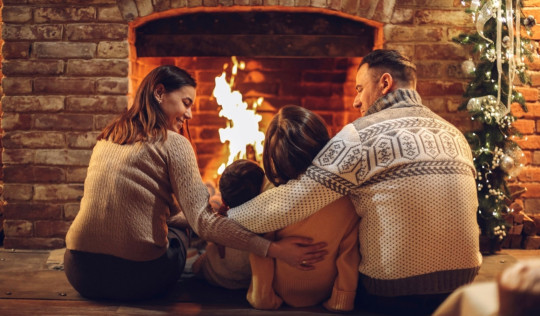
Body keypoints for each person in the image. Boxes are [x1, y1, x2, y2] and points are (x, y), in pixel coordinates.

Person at [227, 50, 482, 314]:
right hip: (461, 283)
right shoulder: (454, 134)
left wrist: (225, 217)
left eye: (360, 89)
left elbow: (290, 204)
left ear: (384, 83)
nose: (355, 102)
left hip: (393, 290)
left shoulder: (359, 136)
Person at [63, 65, 327, 301]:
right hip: (139, 279)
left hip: (79, 271)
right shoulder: (172, 142)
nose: (189, 114)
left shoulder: (109, 135)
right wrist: (275, 249)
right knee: (186, 229)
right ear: (159, 93)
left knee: (173, 218)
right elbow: (204, 223)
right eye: (186, 103)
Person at [247, 105, 360, 312]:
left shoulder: (270, 191)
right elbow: (349, 254)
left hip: (279, 289)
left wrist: (262, 297)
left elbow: (259, 249)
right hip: (324, 290)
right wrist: (341, 300)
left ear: (274, 156)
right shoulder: (346, 195)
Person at [192, 159, 265, 290]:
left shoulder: (221, 225)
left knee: (196, 265)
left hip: (215, 274)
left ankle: (209, 190)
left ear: (225, 202)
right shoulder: (264, 221)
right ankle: (209, 191)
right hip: (246, 279)